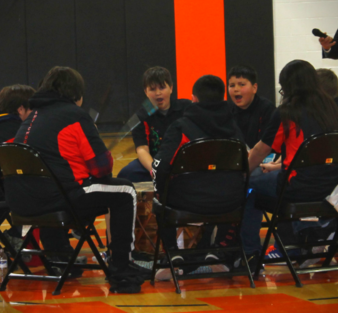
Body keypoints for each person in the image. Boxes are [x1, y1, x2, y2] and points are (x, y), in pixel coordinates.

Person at [4, 66, 145, 293]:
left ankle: (61, 261)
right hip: (59, 201)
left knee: (53, 185)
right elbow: (102, 168)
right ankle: (121, 269)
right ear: (76, 94)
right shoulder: (74, 115)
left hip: (21, 204)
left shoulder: (32, 117)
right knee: (125, 191)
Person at [242, 60, 338, 270]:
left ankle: (250, 252)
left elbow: (259, 151)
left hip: (299, 186)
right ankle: (301, 240)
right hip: (333, 184)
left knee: (248, 186)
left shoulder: (288, 112)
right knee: (271, 179)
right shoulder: (331, 108)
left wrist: (241, 173)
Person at [152, 75, 246, 280]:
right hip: (230, 202)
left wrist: (161, 190)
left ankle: (173, 255)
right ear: (223, 99)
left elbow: (160, 167)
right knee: (229, 188)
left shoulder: (181, 127)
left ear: (193, 99)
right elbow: (243, 166)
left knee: (159, 195)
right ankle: (219, 252)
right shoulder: (235, 128)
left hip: (186, 201)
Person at [117, 66, 191, 182]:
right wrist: (154, 170)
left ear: (171, 88)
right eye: (152, 89)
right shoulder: (139, 117)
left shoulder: (187, 108)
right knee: (126, 174)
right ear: (145, 92)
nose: (158, 93)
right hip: (155, 162)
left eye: (162, 88)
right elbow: (142, 149)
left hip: (184, 161)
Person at [227, 65, 275, 150]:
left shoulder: (267, 109)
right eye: (232, 85)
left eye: (241, 85)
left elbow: (269, 144)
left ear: (254, 88)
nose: (236, 89)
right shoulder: (227, 111)